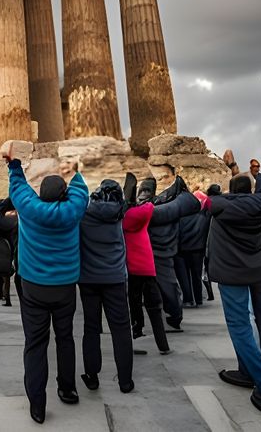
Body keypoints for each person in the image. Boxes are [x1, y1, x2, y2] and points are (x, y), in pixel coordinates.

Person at [9, 147, 89, 425]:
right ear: (63, 195)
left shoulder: (30, 209)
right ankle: (67, 389)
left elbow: (18, 187)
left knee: (35, 343)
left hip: (33, 286)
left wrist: (14, 165)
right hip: (65, 286)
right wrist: (74, 169)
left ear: (40, 194)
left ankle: (37, 404)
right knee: (65, 338)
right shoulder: (72, 210)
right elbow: (80, 189)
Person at [207, 166, 261, 416]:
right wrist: (258, 177)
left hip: (232, 272)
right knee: (260, 317)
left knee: (239, 326)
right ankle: (246, 370)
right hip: (260, 268)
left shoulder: (219, 207)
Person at [77, 178, 134, 394]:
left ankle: (92, 376)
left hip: (88, 279)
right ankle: (125, 381)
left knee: (91, 328)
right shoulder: (119, 213)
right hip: (115, 279)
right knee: (121, 330)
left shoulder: (84, 213)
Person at [143, 165, 200, 331]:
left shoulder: (168, 205)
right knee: (166, 286)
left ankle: (173, 317)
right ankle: (171, 317)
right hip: (160, 250)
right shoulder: (168, 203)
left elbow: (156, 214)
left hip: (160, 251)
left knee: (167, 286)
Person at [121, 175, 170, 355]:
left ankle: (135, 335)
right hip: (147, 267)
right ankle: (163, 345)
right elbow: (149, 206)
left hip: (130, 267)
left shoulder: (123, 217)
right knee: (154, 306)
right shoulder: (145, 211)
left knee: (132, 304)